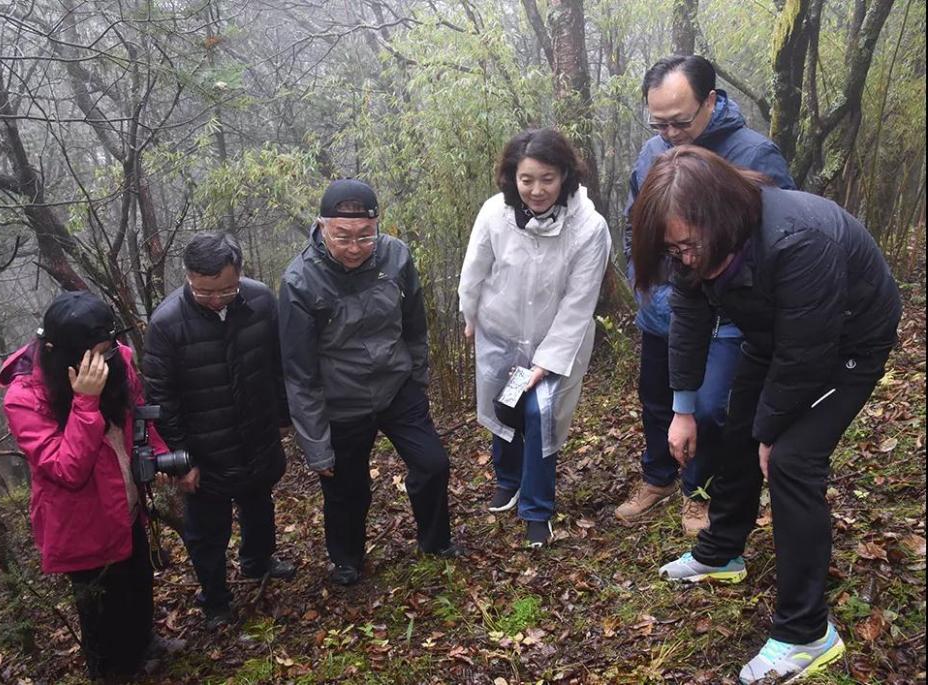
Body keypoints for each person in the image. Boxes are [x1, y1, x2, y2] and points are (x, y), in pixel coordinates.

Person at [630, 146, 901, 684]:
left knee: (793, 462)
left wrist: (772, 435)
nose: (681, 258)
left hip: (849, 343)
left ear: (720, 217)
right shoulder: (693, 244)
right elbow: (687, 321)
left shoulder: (800, 240)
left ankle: (806, 634)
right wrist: (683, 410)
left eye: (687, 246)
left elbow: (807, 357)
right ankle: (722, 552)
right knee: (734, 429)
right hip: (775, 336)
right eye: (671, 249)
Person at [616, 55, 796, 535]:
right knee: (658, 398)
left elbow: (780, 243)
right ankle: (658, 476)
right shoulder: (651, 151)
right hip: (662, 308)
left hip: (725, 318)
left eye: (679, 121)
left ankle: (699, 489)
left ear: (710, 101)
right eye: (659, 122)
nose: (669, 133)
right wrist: (645, 282)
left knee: (710, 407)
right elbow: (636, 225)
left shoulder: (754, 155)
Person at [279, 179, 457, 586]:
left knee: (433, 464)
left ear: (378, 225)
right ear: (322, 227)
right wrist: (317, 447)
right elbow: (300, 374)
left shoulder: (396, 257)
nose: (355, 247)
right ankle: (347, 560)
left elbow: (415, 324)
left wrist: (417, 379)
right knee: (346, 489)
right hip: (341, 401)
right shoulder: (299, 282)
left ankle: (436, 541)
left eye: (365, 235)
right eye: (343, 237)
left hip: (396, 387)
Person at [0, 291, 183, 680]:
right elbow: (66, 468)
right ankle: (115, 671)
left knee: (137, 580)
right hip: (82, 522)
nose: (104, 361)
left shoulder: (119, 360)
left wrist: (157, 455)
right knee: (102, 612)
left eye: (108, 350)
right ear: (59, 351)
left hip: (126, 502)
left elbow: (137, 414)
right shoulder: (25, 397)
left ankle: (146, 644)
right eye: (93, 354)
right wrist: (85, 402)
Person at [458, 129, 611, 548]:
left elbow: (580, 302)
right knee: (504, 404)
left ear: (565, 175)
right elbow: (475, 269)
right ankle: (508, 480)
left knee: (539, 415)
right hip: (501, 330)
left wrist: (548, 359)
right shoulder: (494, 213)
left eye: (547, 178)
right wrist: (469, 314)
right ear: (512, 178)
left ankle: (537, 509)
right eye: (527, 179)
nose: (537, 190)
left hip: (556, 337)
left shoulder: (589, 228)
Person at [142, 232, 294, 628]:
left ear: (239, 275)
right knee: (208, 531)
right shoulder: (166, 323)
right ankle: (215, 598)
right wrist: (180, 459)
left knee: (259, 504)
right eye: (204, 291)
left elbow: (277, 363)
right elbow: (161, 398)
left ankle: (258, 562)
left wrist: (283, 415)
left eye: (226, 291)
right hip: (204, 450)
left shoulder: (260, 300)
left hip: (256, 432)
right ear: (189, 276)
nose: (215, 299)